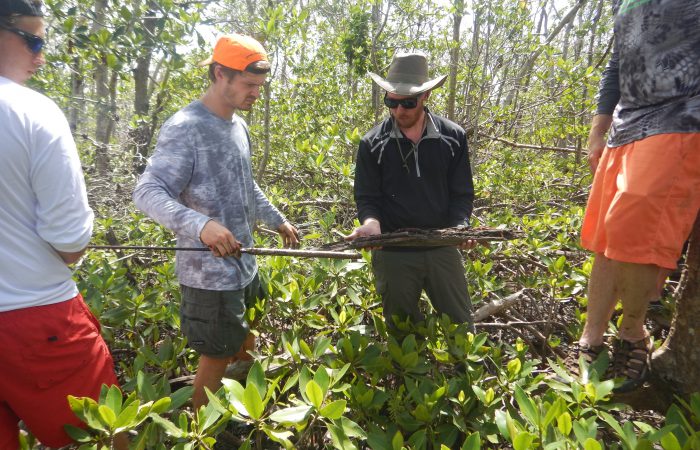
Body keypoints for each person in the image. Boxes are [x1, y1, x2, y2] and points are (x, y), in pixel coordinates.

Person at [133, 33, 299, 409]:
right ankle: (198, 426)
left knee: (243, 334)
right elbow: (147, 192)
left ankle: (244, 398)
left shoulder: (238, 126)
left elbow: (245, 184)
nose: (256, 93)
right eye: (249, 84)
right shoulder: (185, 127)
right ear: (220, 74)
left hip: (243, 263)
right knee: (216, 352)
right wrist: (200, 225)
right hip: (208, 274)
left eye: (260, 86)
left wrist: (276, 220)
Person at [0, 0, 127, 448]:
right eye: (32, 40)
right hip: (36, 318)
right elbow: (70, 240)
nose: (41, 56)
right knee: (105, 434)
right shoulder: (32, 111)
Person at [575, 0, 700, 392]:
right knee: (604, 239)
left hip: (680, 116)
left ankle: (632, 334)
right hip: (626, 123)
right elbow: (617, 61)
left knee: (634, 231)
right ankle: (590, 339)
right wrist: (599, 126)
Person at [347, 51, 476, 332]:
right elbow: (367, 198)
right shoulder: (372, 143)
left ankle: (462, 373)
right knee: (402, 331)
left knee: (461, 328)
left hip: (442, 247)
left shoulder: (453, 137)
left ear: (425, 96)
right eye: (391, 102)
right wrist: (371, 225)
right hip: (394, 251)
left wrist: (460, 228)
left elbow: (462, 194)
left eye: (407, 102)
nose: (398, 110)